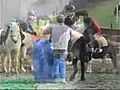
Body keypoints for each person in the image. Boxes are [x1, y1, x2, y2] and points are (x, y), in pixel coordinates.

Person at [43, 14, 83, 83]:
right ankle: (62, 78)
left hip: (55, 47)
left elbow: (44, 32)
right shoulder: (68, 28)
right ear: (63, 20)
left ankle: (55, 77)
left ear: (57, 20)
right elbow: (76, 35)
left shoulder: (53, 27)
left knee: (55, 62)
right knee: (62, 62)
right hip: (64, 48)